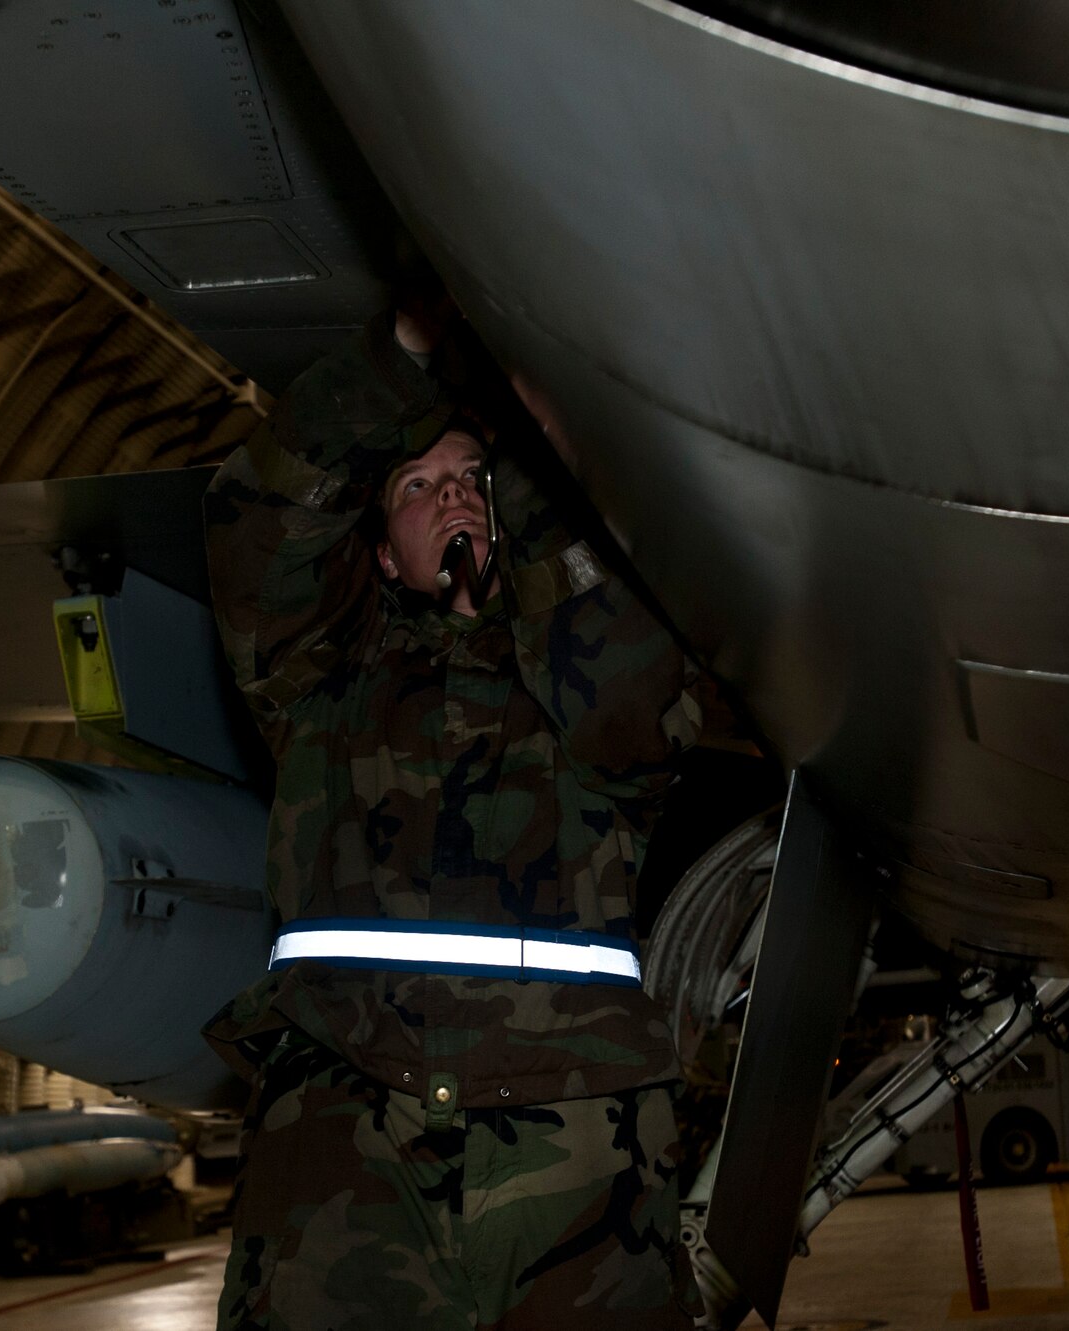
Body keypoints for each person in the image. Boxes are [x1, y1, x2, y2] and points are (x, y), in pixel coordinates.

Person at [201, 298, 706, 1330]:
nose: (455, 497)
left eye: (473, 477)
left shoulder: (591, 686)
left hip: (574, 1154)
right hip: (347, 1146)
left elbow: (621, 692)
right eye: (418, 487)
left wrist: (526, 460)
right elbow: (258, 524)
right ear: (383, 552)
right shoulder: (321, 684)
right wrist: (403, 360)